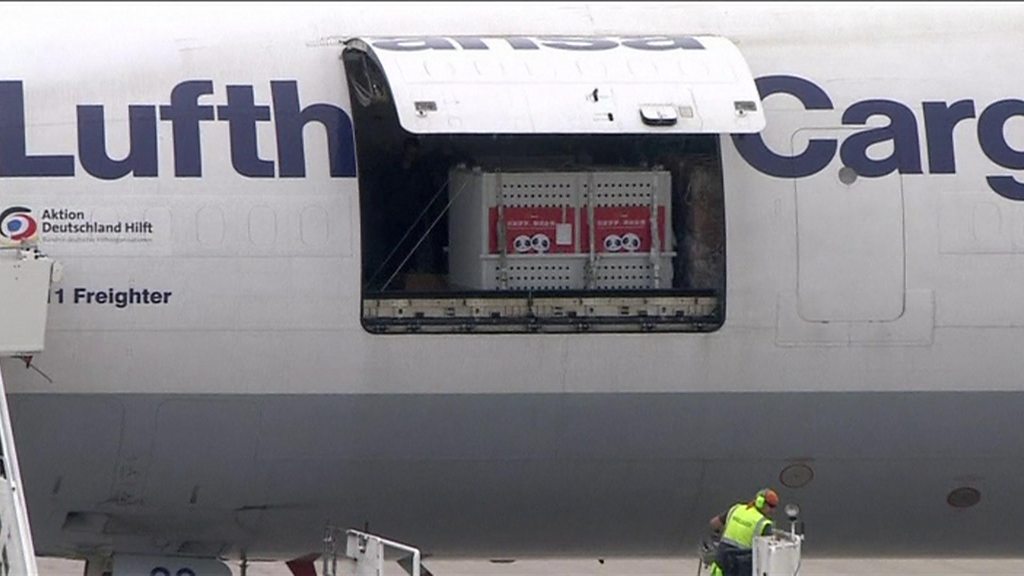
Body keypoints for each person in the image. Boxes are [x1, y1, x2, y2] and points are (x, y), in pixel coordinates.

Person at [707, 488, 779, 576]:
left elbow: (714, 523)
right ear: (760, 502)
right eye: (771, 506)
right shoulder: (763, 524)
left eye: (774, 507)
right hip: (741, 570)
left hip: (721, 565)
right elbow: (770, 551)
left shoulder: (736, 509)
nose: (773, 511)